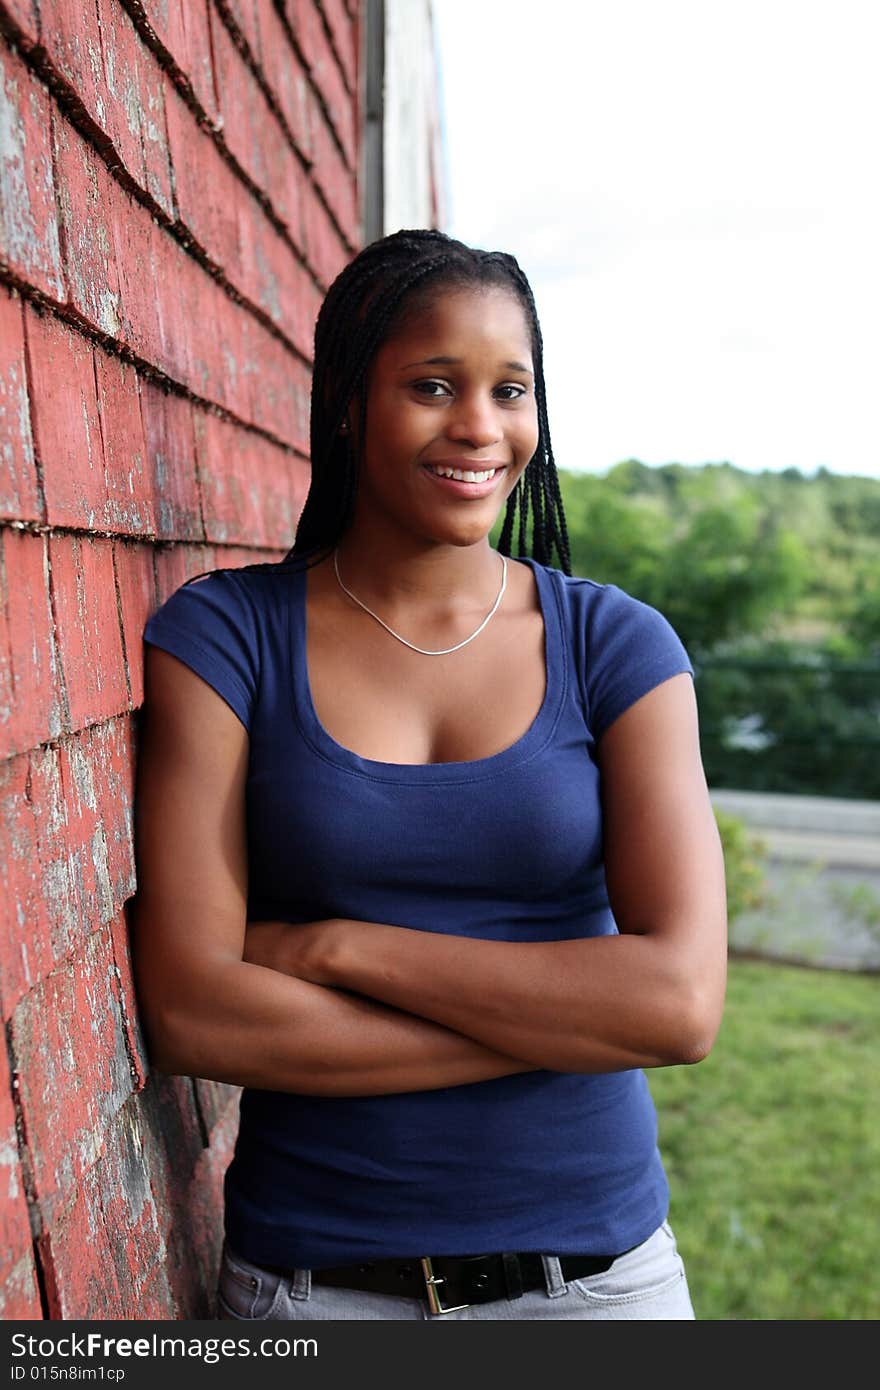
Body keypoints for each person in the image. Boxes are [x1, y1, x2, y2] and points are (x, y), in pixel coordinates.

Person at [133, 228, 728, 1322]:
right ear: (352, 401)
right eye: (433, 385)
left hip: (598, 1287)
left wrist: (335, 949)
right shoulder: (223, 641)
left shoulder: (616, 647)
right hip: (314, 1292)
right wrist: (557, 1024)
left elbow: (679, 1005)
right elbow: (197, 1016)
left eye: (510, 389)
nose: (479, 427)